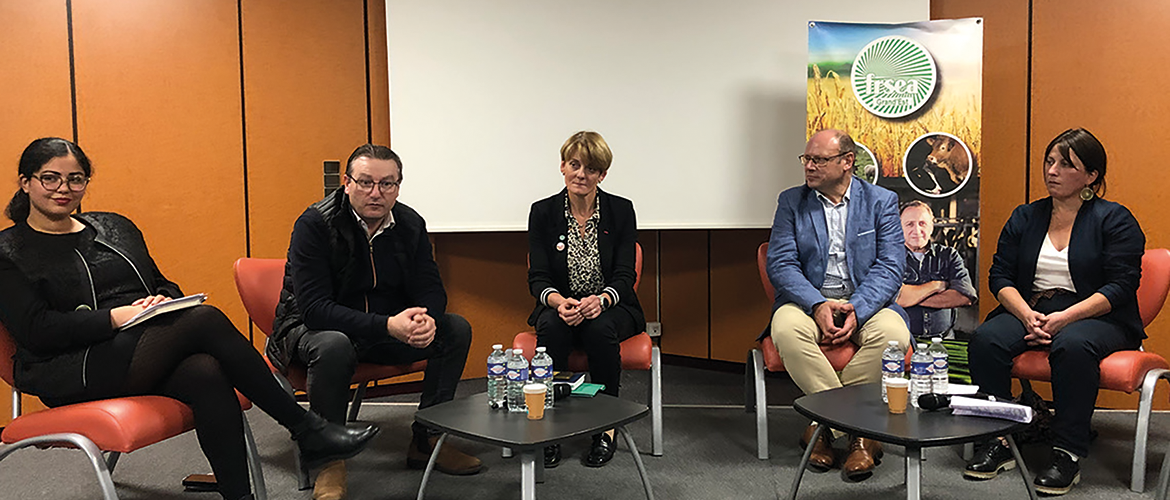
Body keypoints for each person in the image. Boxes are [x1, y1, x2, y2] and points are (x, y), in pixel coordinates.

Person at [0, 137, 378, 500]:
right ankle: (305, 428)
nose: (63, 188)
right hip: (69, 368)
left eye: (75, 178)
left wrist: (165, 301)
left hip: (136, 349)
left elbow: (161, 281)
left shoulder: (114, 227)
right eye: (50, 177)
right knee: (205, 320)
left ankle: (241, 495)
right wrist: (114, 318)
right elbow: (36, 332)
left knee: (205, 372)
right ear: (26, 182)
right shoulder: (9, 251)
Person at [268, 144, 479, 500]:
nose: (376, 193)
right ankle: (329, 458)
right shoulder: (315, 225)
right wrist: (388, 326)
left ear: (398, 186)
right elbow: (315, 308)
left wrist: (425, 318)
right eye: (366, 182)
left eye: (387, 184)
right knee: (333, 343)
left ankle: (428, 438)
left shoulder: (410, 223)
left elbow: (430, 286)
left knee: (454, 329)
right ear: (347, 183)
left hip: (382, 327)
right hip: (308, 330)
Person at [964, 128, 1144, 496]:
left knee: (1073, 346)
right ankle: (997, 440)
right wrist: (1027, 314)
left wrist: (1066, 318)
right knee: (986, 340)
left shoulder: (1115, 219)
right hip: (1032, 308)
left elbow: (1121, 286)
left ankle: (1068, 452)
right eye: (1050, 161)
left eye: (1066, 164)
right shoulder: (1026, 216)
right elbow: (999, 275)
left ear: (1091, 176)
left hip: (1098, 316)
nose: (1053, 170)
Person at [764, 129, 911, 481]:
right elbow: (781, 263)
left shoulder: (881, 201)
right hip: (808, 301)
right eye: (807, 159)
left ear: (847, 162)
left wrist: (857, 308)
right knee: (784, 329)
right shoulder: (791, 201)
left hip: (866, 303)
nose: (809, 167)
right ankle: (860, 434)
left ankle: (822, 426)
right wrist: (817, 305)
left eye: (819, 160)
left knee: (894, 335)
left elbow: (891, 266)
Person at [527, 131, 645, 468]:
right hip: (560, 305)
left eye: (591, 168)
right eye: (575, 165)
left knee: (599, 329)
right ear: (562, 166)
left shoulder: (621, 211)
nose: (582, 174)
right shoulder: (543, 212)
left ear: (602, 175)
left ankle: (604, 428)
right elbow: (538, 277)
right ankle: (550, 427)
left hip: (612, 307)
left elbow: (626, 275)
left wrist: (602, 300)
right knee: (550, 327)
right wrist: (558, 301)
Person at [896, 200, 977, 339]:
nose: (917, 230)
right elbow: (893, 297)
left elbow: (965, 296)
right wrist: (936, 285)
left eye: (922, 223)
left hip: (944, 341)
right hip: (902, 342)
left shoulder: (949, 256)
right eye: (909, 224)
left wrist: (911, 297)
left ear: (931, 226)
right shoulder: (890, 258)